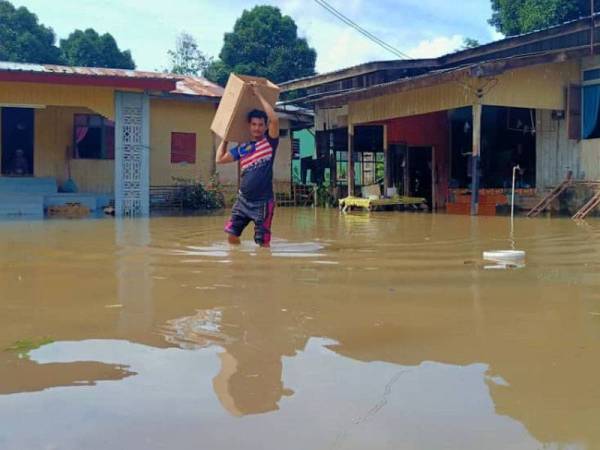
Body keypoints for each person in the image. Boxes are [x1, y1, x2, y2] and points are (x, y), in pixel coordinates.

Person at [215, 84, 280, 248]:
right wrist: (226, 137)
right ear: (249, 126)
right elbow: (220, 159)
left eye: (260, 125)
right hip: (243, 200)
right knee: (231, 235)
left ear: (265, 127)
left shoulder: (270, 143)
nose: (257, 128)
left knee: (263, 244)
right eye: (254, 124)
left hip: (263, 203)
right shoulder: (243, 148)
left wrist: (258, 94)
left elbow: (275, 120)